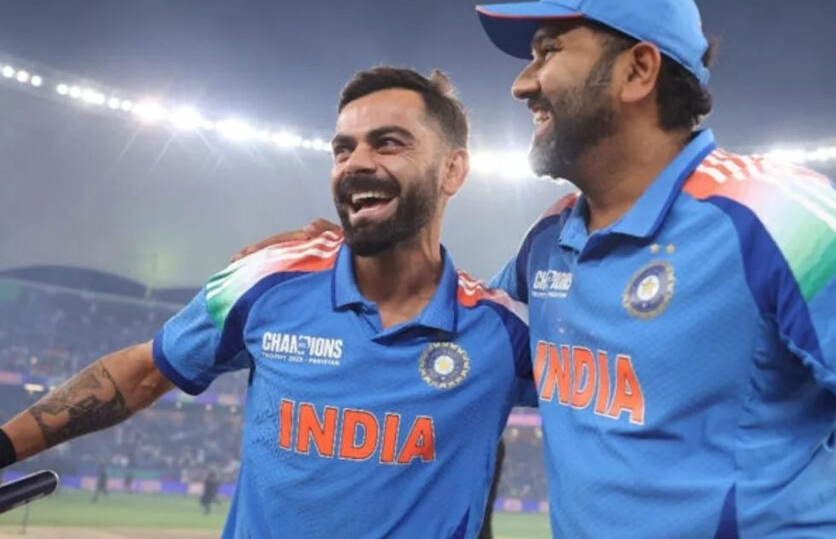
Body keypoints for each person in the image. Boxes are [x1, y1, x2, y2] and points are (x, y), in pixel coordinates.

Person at [255, 0, 836, 536]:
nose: (523, 84)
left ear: (637, 70)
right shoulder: (549, 242)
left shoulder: (774, 216)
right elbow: (447, 337)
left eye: (548, 51)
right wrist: (325, 260)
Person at [0, 67, 533, 538]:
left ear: (452, 170)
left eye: (388, 143)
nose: (355, 163)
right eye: (343, 149)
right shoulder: (267, 278)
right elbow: (141, 372)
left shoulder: (501, 332)